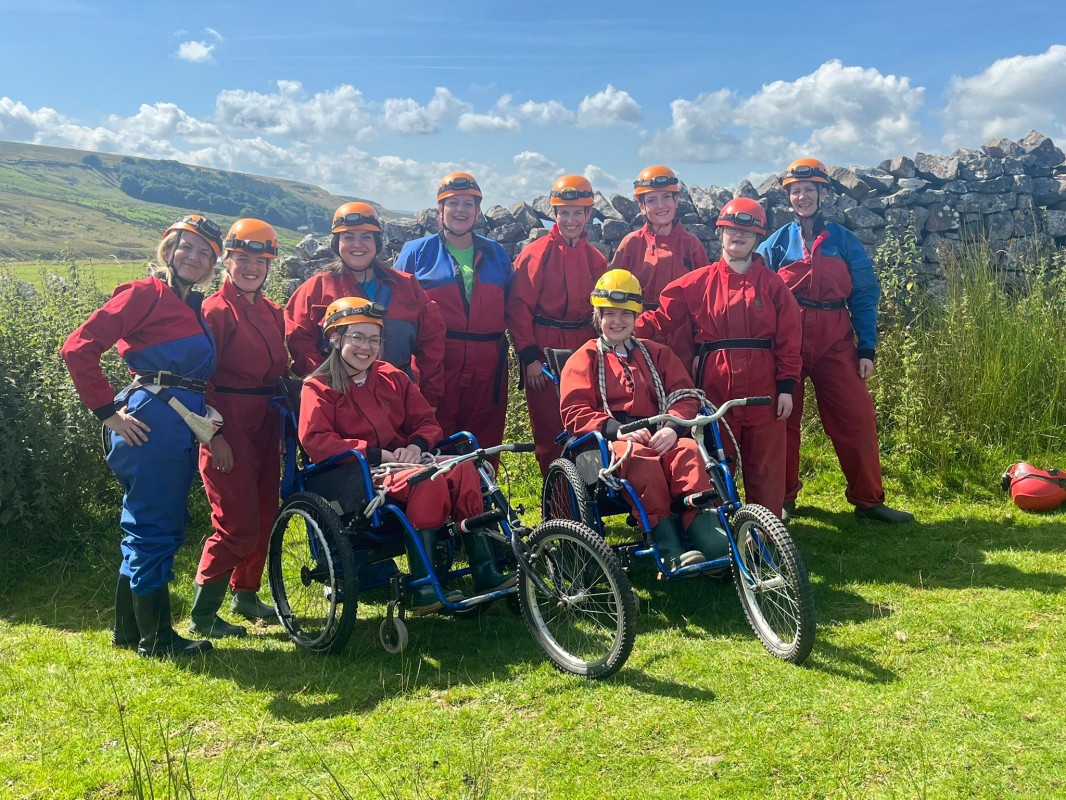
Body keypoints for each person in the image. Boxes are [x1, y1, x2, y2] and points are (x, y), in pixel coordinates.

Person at [62, 214, 224, 657]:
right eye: (186, 246)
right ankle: (158, 639)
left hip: (176, 423)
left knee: (149, 522)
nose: (193, 257)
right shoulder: (143, 293)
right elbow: (78, 346)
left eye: (205, 252)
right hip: (151, 422)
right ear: (168, 248)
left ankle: (129, 630)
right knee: (154, 525)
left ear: (213, 263)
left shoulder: (191, 302)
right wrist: (107, 413)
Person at [298, 297, 515, 615]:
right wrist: (374, 453)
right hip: (357, 476)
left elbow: (427, 422)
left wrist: (416, 445)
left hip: (405, 463)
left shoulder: (392, 377)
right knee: (427, 480)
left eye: (374, 339)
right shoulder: (318, 387)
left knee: (463, 468)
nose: (366, 347)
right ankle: (423, 586)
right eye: (356, 337)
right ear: (334, 338)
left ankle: (485, 570)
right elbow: (316, 441)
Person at [757, 158, 914, 523]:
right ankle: (783, 499)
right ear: (788, 197)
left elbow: (864, 293)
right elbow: (756, 293)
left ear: (822, 193)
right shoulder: (776, 243)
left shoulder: (844, 240)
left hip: (835, 340)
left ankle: (868, 500)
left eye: (809, 189)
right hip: (787, 342)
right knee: (782, 420)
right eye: (796, 191)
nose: (802, 196)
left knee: (858, 416)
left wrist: (867, 347)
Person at [636, 199, 801, 519]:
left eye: (746, 231)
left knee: (765, 461)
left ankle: (766, 532)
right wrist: (622, 329)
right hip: (715, 383)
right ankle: (717, 531)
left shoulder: (773, 285)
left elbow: (789, 337)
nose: (737, 236)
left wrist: (786, 385)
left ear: (757, 238)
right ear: (721, 232)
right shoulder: (697, 282)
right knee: (714, 457)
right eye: (731, 230)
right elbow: (661, 319)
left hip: (763, 386)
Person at [559, 270, 725, 571]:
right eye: (609, 314)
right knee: (638, 458)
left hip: (660, 430)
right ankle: (667, 543)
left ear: (636, 317)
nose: (617, 321)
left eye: (625, 314)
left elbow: (686, 395)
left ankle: (705, 530)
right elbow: (575, 411)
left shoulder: (657, 353)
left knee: (687, 451)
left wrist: (673, 428)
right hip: (613, 441)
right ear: (598, 316)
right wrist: (618, 431)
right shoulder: (583, 359)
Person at [189, 219, 288, 638]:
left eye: (260, 261)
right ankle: (202, 615)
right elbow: (200, 382)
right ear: (226, 260)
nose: (251, 267)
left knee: (265, 513)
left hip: (267, 423)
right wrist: (215, 437)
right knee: (235, 522)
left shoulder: (272, 312)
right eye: (242, 259)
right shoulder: (214, 311)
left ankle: (245, 594)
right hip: (228, 423)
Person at [394, 173, 513, 453]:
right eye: (453, 203)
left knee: (484, 440)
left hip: (489, 364)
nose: (461, 210)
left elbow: (513, 305)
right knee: (434, 433)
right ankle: (440, 496)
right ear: (440, 209)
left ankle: (481, 496)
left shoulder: (496, 254)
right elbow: (397, 312)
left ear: (478, 211)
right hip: (435, 362)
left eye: (468, 204)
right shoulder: (416, 253)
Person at [284, 202, 446, 407]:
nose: (357, 245)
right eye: (348, 237)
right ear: (337, 243)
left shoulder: (407, 286)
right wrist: (326, 383)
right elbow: (299, 340)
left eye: (366, 237)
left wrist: (429, 398)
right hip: (340, 401)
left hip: (398, 399)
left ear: (377, 242)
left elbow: (431, 342)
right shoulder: (316, 289)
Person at [506, 174, 608, 475]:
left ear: (589, 215)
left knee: (586, 417)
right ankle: (558, 499)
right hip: (544, 345)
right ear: (555, 214)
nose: (571, 219)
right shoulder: (535, 254)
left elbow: (601, 311)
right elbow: (518, 307)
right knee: (550, 426)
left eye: (578, 212)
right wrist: (530, 356)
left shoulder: (596, 259)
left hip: (583, 344)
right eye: (564, 212)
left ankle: (587, 491)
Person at [610, 165, 710, 370]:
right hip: (637, 336)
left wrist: (701, 349)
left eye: (666, 197)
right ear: (641, 206)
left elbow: (705, 304)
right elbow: (612, 299)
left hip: (682, 341)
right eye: (652, 200)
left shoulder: (692, 246)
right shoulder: (630, 244)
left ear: (676, 200)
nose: (660, 205)